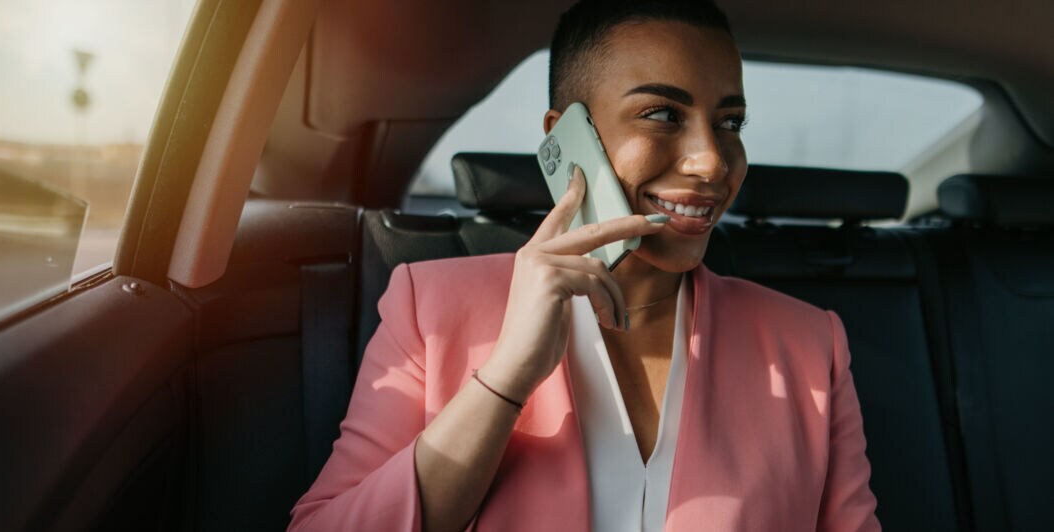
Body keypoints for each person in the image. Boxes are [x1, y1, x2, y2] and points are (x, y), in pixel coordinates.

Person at [289, 1, 880, 530]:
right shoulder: (431, 307)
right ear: (565, 139)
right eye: (662, 114)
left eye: (730, 123)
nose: (712, 163)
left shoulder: (809, 346)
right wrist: (507, 379)